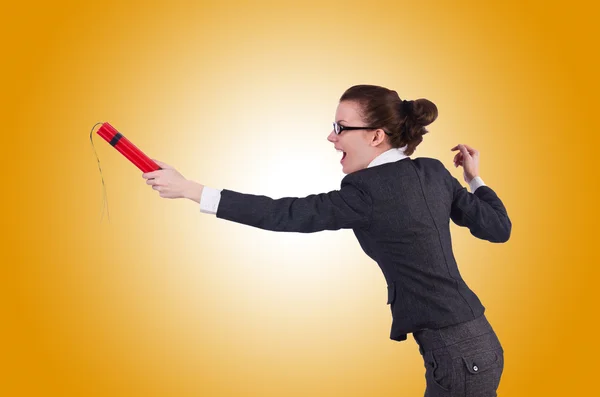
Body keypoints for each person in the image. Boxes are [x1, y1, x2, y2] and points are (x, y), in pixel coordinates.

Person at [142, 85, 511, 396]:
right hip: (477, 342)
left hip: (456, 356)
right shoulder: (432, 170)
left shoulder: (365, 192)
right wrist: (474, 179)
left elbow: (284, 214)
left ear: (376, 135)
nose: (331, 137)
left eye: (340, 127)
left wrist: (190, 190)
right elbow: (498, 228)